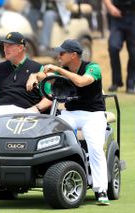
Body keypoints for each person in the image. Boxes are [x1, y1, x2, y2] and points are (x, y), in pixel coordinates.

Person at [26, 39, 110, 206]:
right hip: (71, 113)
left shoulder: (92, 68)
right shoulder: (62, 71)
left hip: (94, 114)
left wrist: (57, 70)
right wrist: (35, 76)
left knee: (94, 145)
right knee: (51, 133)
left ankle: (101, 189)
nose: (59, 56)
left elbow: (81, 81)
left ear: (73, 55)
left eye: (62, 53)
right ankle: (50, 174)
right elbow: (45, 78)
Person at [103, 0, 135, 94]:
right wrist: (110, 7)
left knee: (134, 52)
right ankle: (116, 82)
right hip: (117, 15)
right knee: (113, 46)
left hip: (133, 15)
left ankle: (131, 83)